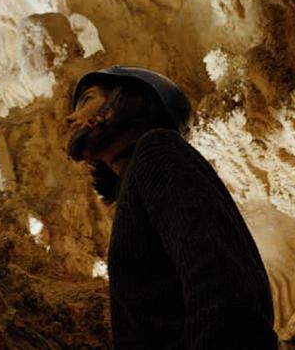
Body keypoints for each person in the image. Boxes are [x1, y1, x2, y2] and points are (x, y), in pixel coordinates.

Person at [65, 66, 277, 349]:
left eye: (86, 99)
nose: (70, 117)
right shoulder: (137, 180)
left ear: (124, 100)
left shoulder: (158, 151)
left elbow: (217, 274)